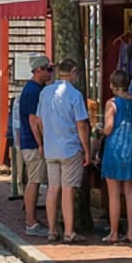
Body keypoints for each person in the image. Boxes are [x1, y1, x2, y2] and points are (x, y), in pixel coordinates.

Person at [35, 59, 91, 243]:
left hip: (51, 147)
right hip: (69, 147)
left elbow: (39, 120)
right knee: (68, 189)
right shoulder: (74, 94)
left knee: (52, 188)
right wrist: (87, 149)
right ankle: (68, 231)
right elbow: (81, 124)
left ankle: (52, 230)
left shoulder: (45, 92)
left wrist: (46, 138)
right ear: (73, 72)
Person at [99, 68, 132, 243]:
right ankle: (131, 231)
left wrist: (99, 129)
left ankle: (114, 232)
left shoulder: (112, 103)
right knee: (130, 191)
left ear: (112, 85)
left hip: (116, 148)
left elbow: (109, 128)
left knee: (114, 193)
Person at [15, 56, 52, 235]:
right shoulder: (33, 91)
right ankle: (31, 222)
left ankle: (32, 220)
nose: (50, 72)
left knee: (35, 180)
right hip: (32, 143)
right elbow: (33, 120)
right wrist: (40, 143)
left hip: (29, 141)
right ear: (39, 70)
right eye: (48, 69)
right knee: (35, 181)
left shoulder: (35, 89)